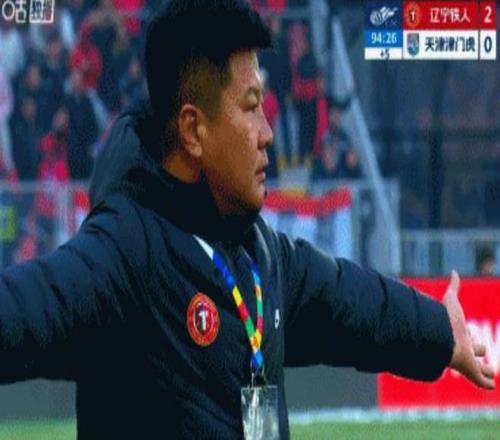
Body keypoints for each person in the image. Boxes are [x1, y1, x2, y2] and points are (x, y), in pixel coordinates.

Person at [0, 2, 494, 440]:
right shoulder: (125, 255)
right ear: (193, 130)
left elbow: (351, 303)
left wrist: (439, 331)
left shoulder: (262, 253)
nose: (267, 133)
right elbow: (29, 308)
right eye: (251, 107)